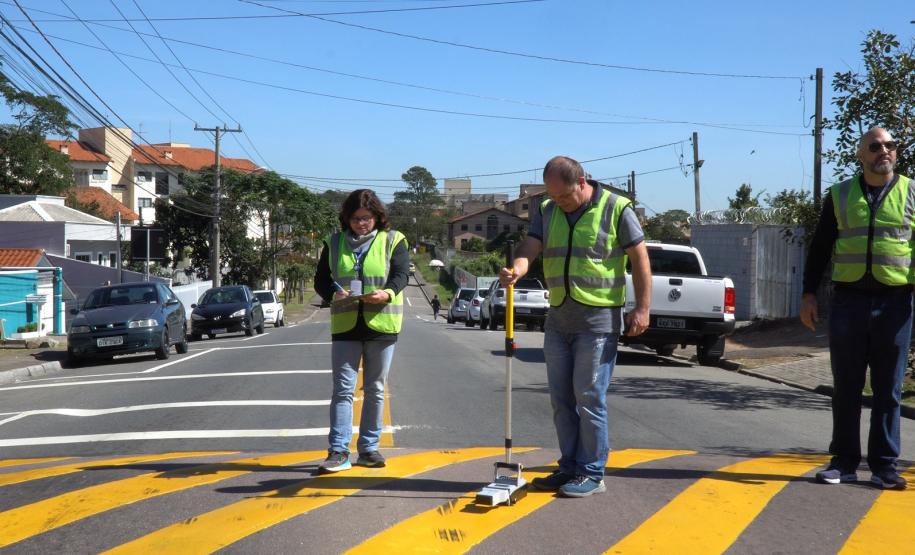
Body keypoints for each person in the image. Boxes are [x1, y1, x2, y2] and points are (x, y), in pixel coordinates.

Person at [500, 156, 651, 497]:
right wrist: (519, 267)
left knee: (589, 398)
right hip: (558, 319)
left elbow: (640, 258)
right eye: (554, 197)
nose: (560, 203)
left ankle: (592, 471)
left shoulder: (616, 208)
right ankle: (569, 465)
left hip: (597, 322)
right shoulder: (548, 209)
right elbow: (531, 245)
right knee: (561, 400)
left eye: (565, 196)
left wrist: (642, 308)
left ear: (582, 182)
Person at [800, 127, 910, 490]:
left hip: (896, 304)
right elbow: (820, 247)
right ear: (861, 154)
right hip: (848, 302)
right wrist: (808, 294)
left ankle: (884, 466)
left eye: (890, 145)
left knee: (888, 388)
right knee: (846, 386)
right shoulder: (841, 194)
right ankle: (843, 462)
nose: (885, 151)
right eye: (876, 146)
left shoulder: (911, 193)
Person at [313, 189, 409, 473]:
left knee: (375, 389)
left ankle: (368, 449)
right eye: (356, 219)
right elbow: (321, 279)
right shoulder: (333, 242)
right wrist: (333, 294)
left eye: (366, 218)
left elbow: (401, 274)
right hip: (345, 325)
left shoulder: (394, 240)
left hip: (382, 324)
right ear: (347, 218)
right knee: (343, 390)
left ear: (377, 217)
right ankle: (338, 451)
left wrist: (388, 293)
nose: (361, 223)